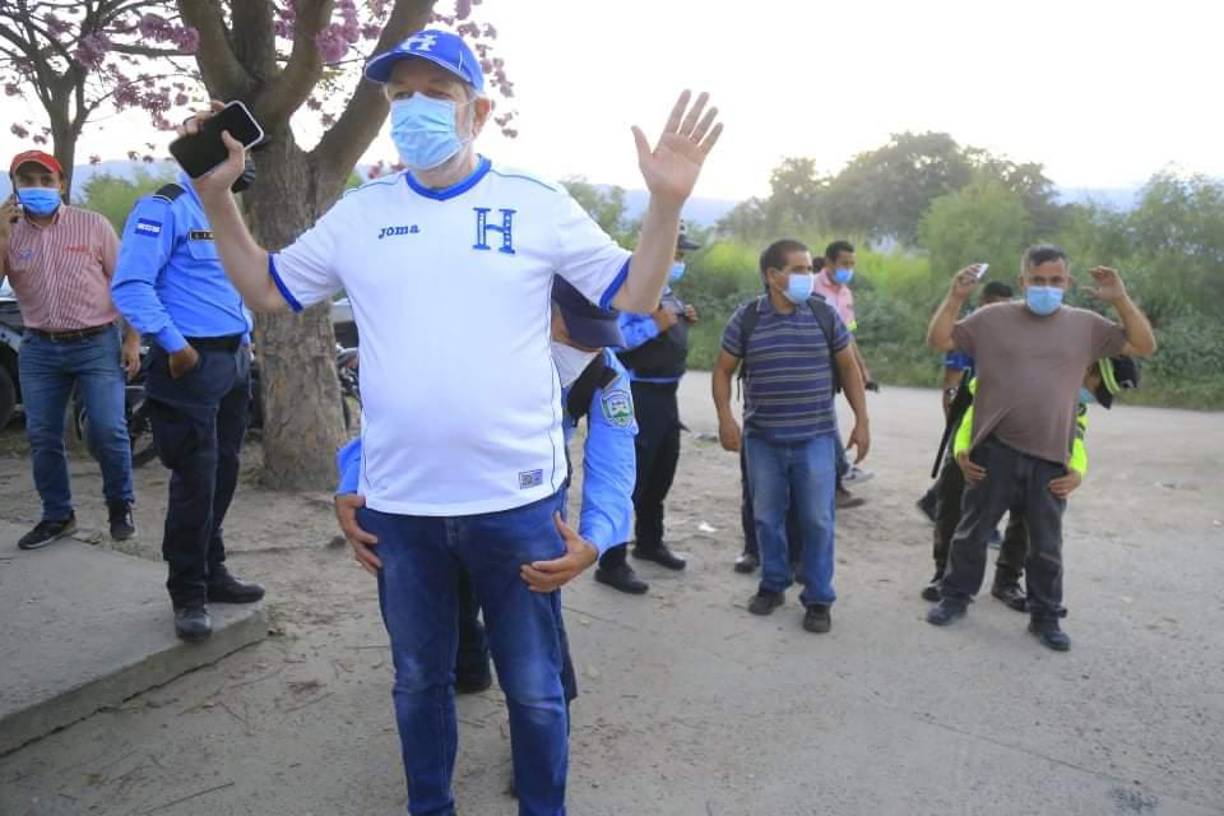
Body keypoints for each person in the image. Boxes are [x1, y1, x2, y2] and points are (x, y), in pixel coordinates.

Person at [178, 27, 721, 815]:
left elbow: (633, 300)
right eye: (401, 96)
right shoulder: (361, 216)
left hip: (518, 500)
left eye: (438, 93)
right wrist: (217, 195)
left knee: (535, 692)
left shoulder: (536, 204)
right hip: (404, 511)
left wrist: (665, 204)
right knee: (416, 683)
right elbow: (267, 290)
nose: (416, 110)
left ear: (480, 109)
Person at [335, 276, 635, 698]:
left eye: (596, 337)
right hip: (444, 476)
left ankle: (552, 702)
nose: (584, 349)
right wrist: (353, 481)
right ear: (540, 309)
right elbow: (396, 414)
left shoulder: (604, 375)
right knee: (448, 586)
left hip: (535, 488)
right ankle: (469, 664)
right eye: (572, 333)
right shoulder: (471, 340)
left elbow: (614, 465)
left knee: (534, 595)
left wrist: (594, 541)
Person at [925, 246, 1156, 651]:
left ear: (1067, 282)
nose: (1046, 288)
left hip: (1052, 458)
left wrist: (1120, 298)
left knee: (1045, 546)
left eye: (1055, 280)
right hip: (994, 451)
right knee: (971, 533)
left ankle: (1046, 617)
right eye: (1038, 280)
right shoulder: (992, 320)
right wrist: (956, 297)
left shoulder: (1087, 326)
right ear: (1023, 282)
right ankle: (954, 597)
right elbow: (939, 338)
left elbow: (1142, 345)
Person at [111, 164, 266, 642]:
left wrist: (246, 342)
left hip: (232, 360)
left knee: (224, 474)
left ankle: (212, 572)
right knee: (195, 481)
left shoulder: (222, 209)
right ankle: (188, 592)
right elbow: (132, 284)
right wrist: (176, 346)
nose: (246, 163)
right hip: (190, 363)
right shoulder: (165, 206)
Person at [712, 239, 870, 634]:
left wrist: (861, 420)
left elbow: (850, 369)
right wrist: (725, 419)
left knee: (818, 519)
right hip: (762, 438)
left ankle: (818, 598)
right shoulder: (746, 318)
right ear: (772, 275)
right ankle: (773, 584)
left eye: (806, 269)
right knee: (767, 517)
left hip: (816, 437)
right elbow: (722, 371)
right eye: (798, 269)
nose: (806, 276)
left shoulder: (823, 315)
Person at [1, 150, 140, 550]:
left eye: (46, 180)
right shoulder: (8, 231)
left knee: (107, 428)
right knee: (42, 434)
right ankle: (58, 515)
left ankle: (119, 506)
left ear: (61, 184)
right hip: (39, 348)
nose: (38, 188)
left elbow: (126, 283)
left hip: (96, 343)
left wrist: (132, 339)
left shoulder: (92, 226)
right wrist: (1, 235)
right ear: (15, 187)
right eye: (27, 180)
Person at [931, 355, 1140, 611]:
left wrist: (1077, 470)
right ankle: (944, 576)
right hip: (979, 434)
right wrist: (963, 448)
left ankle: (1006, 582)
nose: (1093, 396)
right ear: (1090, 371)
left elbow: (1076, 435)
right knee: (957, 507)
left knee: (1029, 518)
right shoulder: (1035, 364)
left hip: (1033, 457)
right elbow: (978, 407)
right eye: (1099, 389)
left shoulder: (1071, 396)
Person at [608, 222, 703, 583]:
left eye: (681, 255)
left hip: (666, 397)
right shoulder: (632, 291)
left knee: (661, 472)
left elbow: (666, 327)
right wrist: (656, 327)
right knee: (631, 478)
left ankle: (649, 541)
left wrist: (681, 319)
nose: (679, 261)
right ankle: (612, 561)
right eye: (675, 254)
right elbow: (614, 340)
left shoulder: (667, 291)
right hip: (638, 395)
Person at [917, 281, 1015, 523]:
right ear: (983, 302)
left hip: (995, 407)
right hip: (970, 406)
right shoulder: (970, 330)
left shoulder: (1009, 330)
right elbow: (952, 383)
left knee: (971, 465)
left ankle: (933, 501)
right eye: (995, 305)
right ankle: (958, 517)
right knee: (967, 463)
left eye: (1006, 306)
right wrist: (952, 419)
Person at [814, 240, 874, 508]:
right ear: (829, 263)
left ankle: (835, 478)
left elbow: (848, 334)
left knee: (824, 419)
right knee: (823, 421)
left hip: (837, 365)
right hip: (813, 364)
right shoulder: (811, 287)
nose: (848, 269)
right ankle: (837, 478)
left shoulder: (846, 294)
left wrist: (861, 367)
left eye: (852, 264)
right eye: (844, 264)